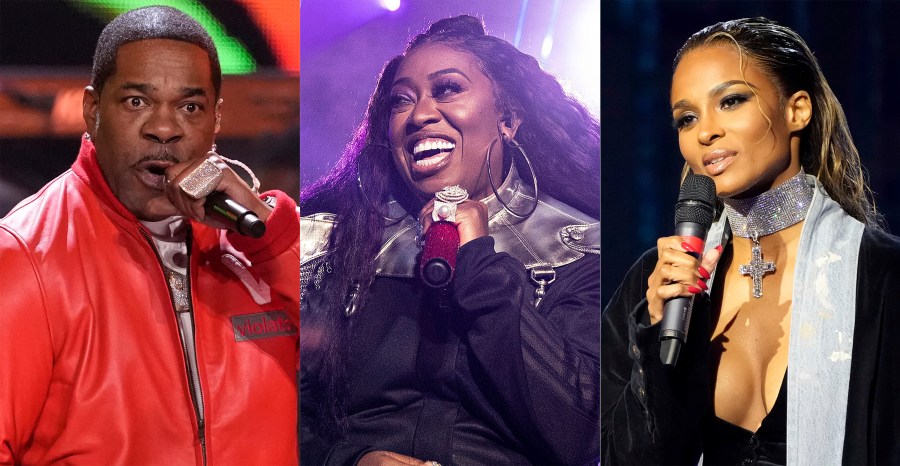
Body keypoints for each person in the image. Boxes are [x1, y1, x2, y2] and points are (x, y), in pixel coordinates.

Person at [0, 6, 299, 464]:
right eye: (137, 101)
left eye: (190, 106)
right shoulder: (27, 256)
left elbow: (356, 371)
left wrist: (267, 235)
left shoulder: (253, 238)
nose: (164, 128)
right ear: (92, 110)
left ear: (216, 120)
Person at [300, 15, 601, 466]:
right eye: (401, 100)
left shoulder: (581, 249)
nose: (420, 115)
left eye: (447, 89)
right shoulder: (332, 246)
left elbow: (582, 431)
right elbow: (277, 411)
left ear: (509, 119)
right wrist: (348, 460)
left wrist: (480, 266)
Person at [601, 17, 900, 465]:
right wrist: (658, 346)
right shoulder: (655, 283)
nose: (705, 132)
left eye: (732, 100)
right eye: (687, 118)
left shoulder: (882, 277)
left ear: (797, 109)